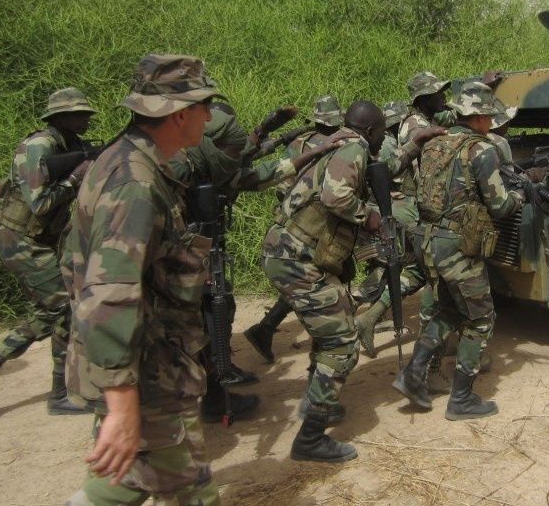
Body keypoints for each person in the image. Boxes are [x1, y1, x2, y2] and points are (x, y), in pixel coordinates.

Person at [62, 54, 223, 505]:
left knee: (144, 479)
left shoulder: (137, 163)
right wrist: (122, 406)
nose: (209, 115)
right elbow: (111, 293)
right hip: (147, 372)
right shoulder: (133, 181)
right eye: (204, 105)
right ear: (179, 113)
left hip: (156, 365)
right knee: (178, 486)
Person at [263, 101, 442, 462]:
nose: (383, 140)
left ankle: (317, 403)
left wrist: (414, 144)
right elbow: (336, 197)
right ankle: (310, 437)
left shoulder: (337, 143)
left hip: (289, 253)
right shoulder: (354, 148)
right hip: (299, 260)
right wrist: (370, 216)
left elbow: (383, 168)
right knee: (343, 344)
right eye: (383, 134)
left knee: (331, 328)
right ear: (373, 131)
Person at [171, 101, 336, 424]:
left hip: (195, 252)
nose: (236, 155)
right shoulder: (176, 168)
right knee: (191, 326)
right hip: (170, 264)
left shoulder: (202, 162)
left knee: (214, 313)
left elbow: (255, 175)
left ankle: (215, 394)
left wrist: (308, 151)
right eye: (230, 149)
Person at [0, 87, 96, 422]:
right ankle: (58, 394)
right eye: (79, 114)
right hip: (21, 241)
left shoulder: (72, 146)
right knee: (64, 310)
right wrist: (75, 178)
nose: (87, 118)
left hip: (42, 240)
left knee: (50, 314)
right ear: (60, 117)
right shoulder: (38, 147)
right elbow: (39, 203)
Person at [393, 81, 537, 421]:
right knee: (482, 318)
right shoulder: (481, 150)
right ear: (480, 117)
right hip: (459, 248)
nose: (491, 123)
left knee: (448, 309)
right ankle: (462, 398)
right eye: (489, 117)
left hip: (428, 241)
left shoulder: (433, 143)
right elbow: (500, 206)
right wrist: (523, 192)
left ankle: (413, 375)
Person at [243, 94, 344, 364]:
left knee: (307, 277)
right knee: (317, 277)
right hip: (317, 224)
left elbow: (281, 184)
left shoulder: (299, 143)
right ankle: (323, 343)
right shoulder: (340, 145)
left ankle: (267, 328)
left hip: (290, 220)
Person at [354, 99, 430, 357]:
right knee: (417, 266)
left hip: (383, 213)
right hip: (398, 210)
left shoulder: (377, 143)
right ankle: (362, 310)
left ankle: (358, 308)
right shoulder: (387, 144)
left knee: (388, 265)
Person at [398, 71, 457, 392]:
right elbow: (439, 137)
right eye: (438, 94)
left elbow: (450, 115)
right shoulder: (414, 126)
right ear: (423, 99)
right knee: (436, 286)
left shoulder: (424, 117)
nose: (443, 99)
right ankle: (426, 370)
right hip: (422, 214)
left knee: (429, 279)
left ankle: (429, 363)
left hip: (426, 212)